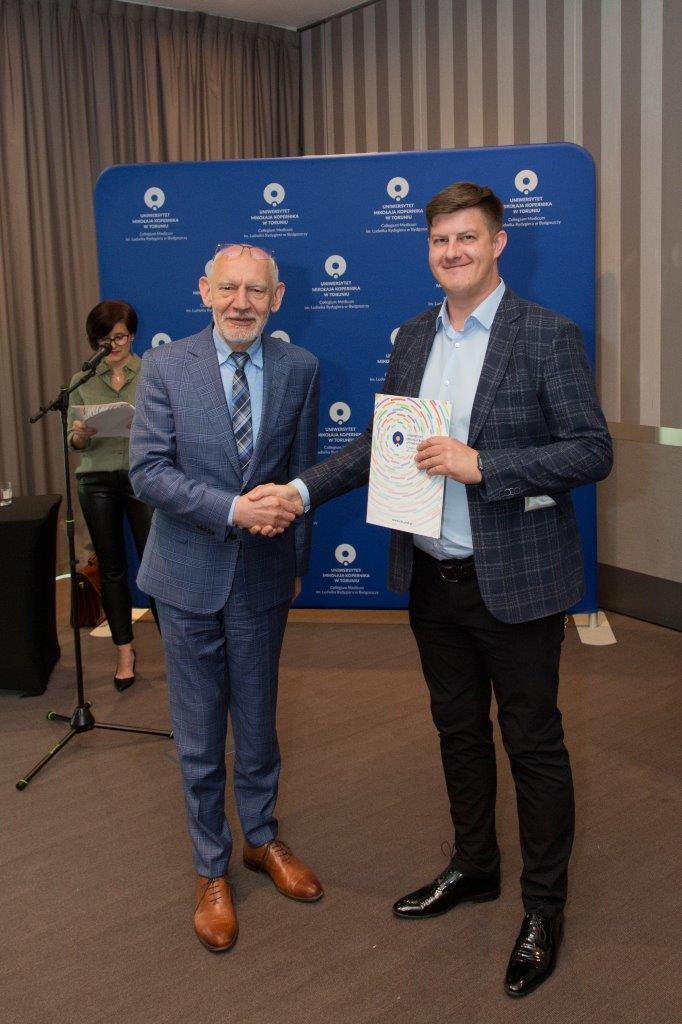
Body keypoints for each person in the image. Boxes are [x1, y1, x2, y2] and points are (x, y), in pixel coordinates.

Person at [249, 183, 613, 996]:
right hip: (430, 577)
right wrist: (300, 491)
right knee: (457, 732)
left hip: (516, 580)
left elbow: (592, 450)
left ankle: (543, 908)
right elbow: (379, 446)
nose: (453, 252)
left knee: (534, 745)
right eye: (441, 240)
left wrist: (486, 465)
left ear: (498, 243)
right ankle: (475, 867)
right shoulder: (414, 335)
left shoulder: (546, 334)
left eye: (467, 238)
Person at [128, 243, 323, 954]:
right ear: (205, 291)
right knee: (200, 735)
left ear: (277, 298)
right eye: (229, 288)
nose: (242, 303)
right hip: (186, 578)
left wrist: (296, 562)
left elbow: (302, 474)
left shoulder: (300, 368)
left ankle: (261, 839)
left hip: (265, 577)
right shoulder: (165, 365)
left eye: (256, 291)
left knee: (260, 727)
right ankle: (211, 867)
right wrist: (233, 509)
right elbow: (147, 472)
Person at [68, 299, 159, 691]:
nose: (113, 345)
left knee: (155, 565)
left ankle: (177, 648)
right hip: (97, 480)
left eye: (119, 337)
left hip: (143, 476)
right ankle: (124, 651)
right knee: (111, 567)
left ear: (132, 335)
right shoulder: (81, 380)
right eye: (104, 339)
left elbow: (169, 423)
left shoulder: (152, 372)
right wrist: (80, 433)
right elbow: (74, 442)